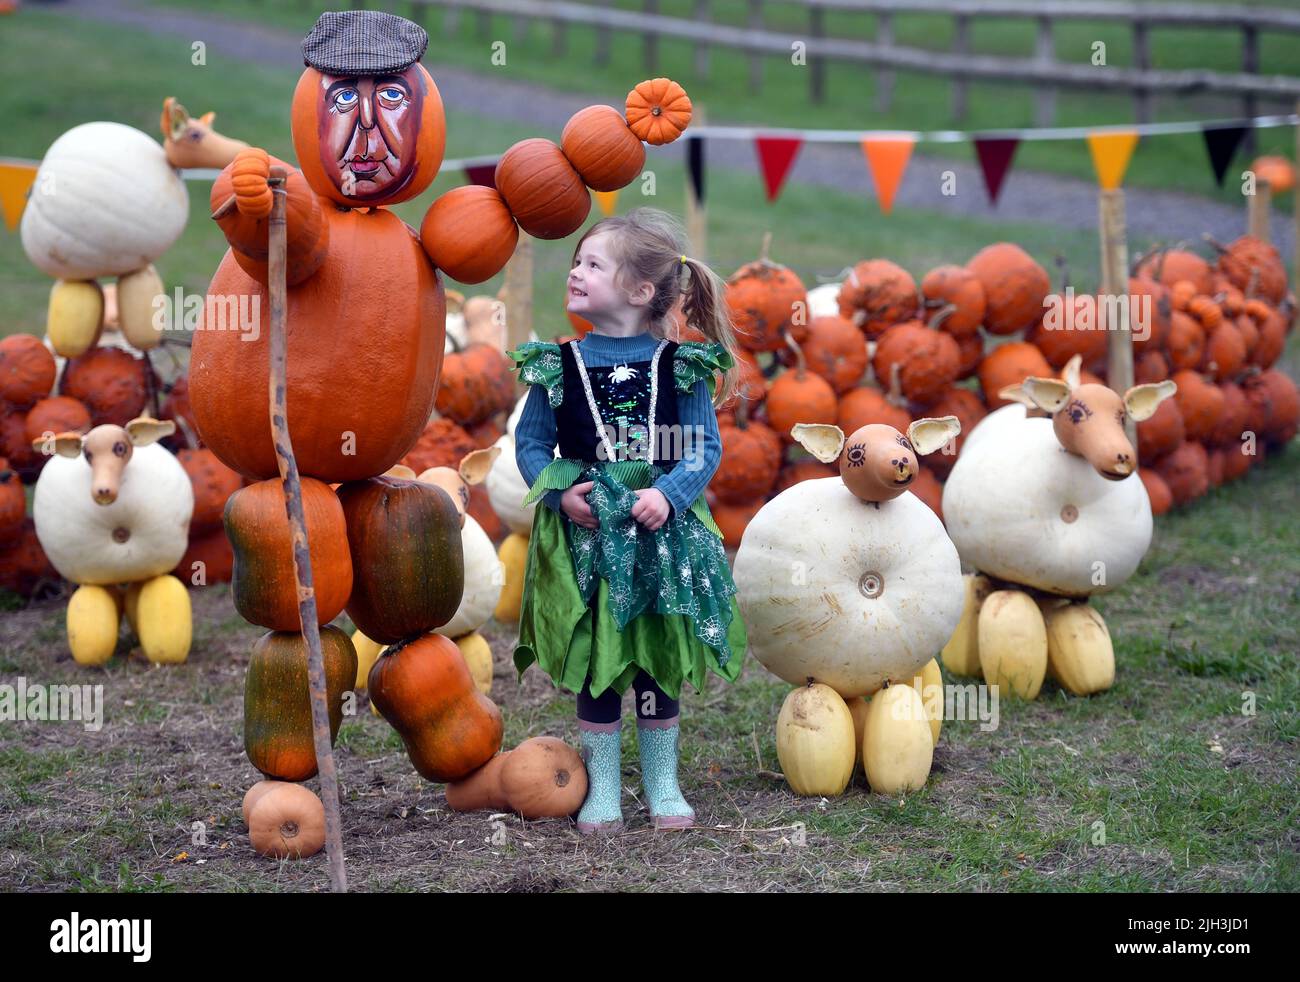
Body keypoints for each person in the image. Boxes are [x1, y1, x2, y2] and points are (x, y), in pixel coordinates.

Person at [509, 207, 748, 833]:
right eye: (576, 261)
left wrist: (670, 493)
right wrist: (561, 497)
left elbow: (702, 446)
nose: (576, 272)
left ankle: (663, 781)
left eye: (593, 264)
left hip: (658, 537)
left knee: (654, 654)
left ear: (641, 292)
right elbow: (532, 447)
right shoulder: (556, 366)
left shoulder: (681, 365)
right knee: (601, 656)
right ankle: (606, 784)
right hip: (591, 537)